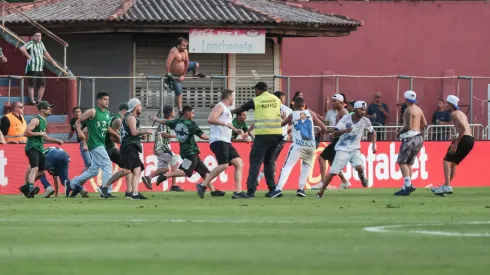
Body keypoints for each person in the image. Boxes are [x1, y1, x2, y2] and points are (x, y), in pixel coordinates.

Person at [151, 106, 225, 198]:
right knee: (186, 172)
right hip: (190, 152)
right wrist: (215, 138)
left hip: (186, 151)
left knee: (205, 172)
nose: (194, 115)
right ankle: (165, 176)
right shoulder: (191, 124)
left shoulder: (176, 122)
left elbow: (165, 121)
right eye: (192, 113)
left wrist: (156, 119)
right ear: (187, 113)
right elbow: (202, 136)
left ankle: (213, 191)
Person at [231, 82, 283, 198]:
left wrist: (229, 112)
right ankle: (273, 189)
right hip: (277, 134)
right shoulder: (276, 99)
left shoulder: (257, 100)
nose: (255, 92)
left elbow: (242, 108)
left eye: (255, 90)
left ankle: (251, 191)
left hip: (263, 135)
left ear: (258, 90)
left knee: (255, 162)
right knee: (269, 161)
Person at [270, 97, 329, 198]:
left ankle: (278, 188)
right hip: (310, 146)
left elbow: (282, 124)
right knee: (306, 166)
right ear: (304, 105)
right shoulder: (311, 113)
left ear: (294, 106)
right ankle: (301, 189)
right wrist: (320, 136)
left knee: (287, 166)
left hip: (298, 145)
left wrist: (284, 118)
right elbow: (323, 128)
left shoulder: (293, 114)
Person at [316, 101, 376, 199]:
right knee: (333, 172)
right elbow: (335, 134)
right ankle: (321, 192)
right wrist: (345, 131)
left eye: (364, 110)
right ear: (355, 109)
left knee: (360, 168)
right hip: (342, 149)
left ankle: (362, 179)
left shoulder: (365, 121)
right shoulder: (345, 119)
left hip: (355, 149)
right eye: (361, 109)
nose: (363, 112)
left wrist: (374, 145)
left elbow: (373, 132)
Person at [65, 92, 120, 198]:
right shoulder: (93, 111)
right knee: (107, 164)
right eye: (104, 99)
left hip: (101, 143)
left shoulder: (107, 113)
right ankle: (105, 190)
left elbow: (106, 127)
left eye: (108, 99)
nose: (107, 101)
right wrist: (80, 132)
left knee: (93, 171)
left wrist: (116, 135)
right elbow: (78, 121)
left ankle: (71, 184)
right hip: (94, 143)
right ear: (98, 100)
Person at [99, 98, 152, 199]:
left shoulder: (131, 118)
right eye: (140, 105)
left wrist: (141, 136)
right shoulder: (131, 118)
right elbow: (134, 133)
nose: (141, 107)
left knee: (137, 170)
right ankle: (104, 187)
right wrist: (146, 131)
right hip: (129, 147)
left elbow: (131, 134)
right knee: (126, 171)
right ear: (136, 106)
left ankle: (135, 193)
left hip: (132, 146)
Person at [199, 89, 247, 199]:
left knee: (239, 163)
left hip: (226, 141)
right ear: (229, 97)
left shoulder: (226, 110)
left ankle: (238, 192)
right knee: (224, 164)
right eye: (233, 97)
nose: (234, 99)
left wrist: (236, 130)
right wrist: (226, 124)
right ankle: (202, 185)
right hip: (218, 140)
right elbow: (211, 119)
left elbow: (227, 124)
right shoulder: (220, 106)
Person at [431, 95, 475, 196]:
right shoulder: (461, 113)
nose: (446, 105)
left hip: (464, 138)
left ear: (450, 104)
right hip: (470, 139)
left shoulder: (454, 113)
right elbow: (467, 129)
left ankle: (446, 185)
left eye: (447, 103)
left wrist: (456, 143)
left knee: (446, 160)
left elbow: (463, 129)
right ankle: (446, 185)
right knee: (453, 163)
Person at [19, 101, 63, 198]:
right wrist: (39, 134)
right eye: (48, 108)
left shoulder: (43, 120)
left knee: (42, 171)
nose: (50, 109)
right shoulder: (36, 120)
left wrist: (56, 140)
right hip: (32, 147)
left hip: (39, 148)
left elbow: (44, 136)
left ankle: (26, 188)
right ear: (42, 109)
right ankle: (30, 187)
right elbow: (26, 133)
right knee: (35, 168)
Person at [312, 94, 352, 190]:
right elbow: (333, 127)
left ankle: (322, 182)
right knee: (331, 161)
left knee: (321, 158)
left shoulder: (344, 113)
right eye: (332, 101)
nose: (332, 103)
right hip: (337, 139)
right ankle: (345, 182)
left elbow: (341, 129)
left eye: (334, 101)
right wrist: (324, 129)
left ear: (341, 102)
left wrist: (326, 130)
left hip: (339, 140)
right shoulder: (339, 112)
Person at [255, 91, 292, 191]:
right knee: (271, 160)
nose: (283, 102)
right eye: (282, 100)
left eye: (284, 100)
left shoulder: (285, 110)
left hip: (279, 138)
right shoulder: (279, 109)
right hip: (276, 137)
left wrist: (289, 131)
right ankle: (267, 182)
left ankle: (263, 180)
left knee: (271, 160)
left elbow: (291, 123)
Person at [142, 105, 184, 191]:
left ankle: (148, 177)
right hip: (162, 147)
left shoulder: (166, 122)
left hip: (159, 148)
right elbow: (162, 134)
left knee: (165, 169)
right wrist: (175, 136)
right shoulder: (164, 122)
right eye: (173, 110)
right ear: (170, 113)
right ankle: (174, 185)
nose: (174, 112)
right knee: (175, 162)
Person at [394, 91, 427, 196]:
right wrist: (416, 127)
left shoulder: (408, 110)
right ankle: (406, 186)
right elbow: (425, 124)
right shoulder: (419, 109)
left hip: (409, 138)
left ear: (405, 99)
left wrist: (399, 133)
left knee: (402, 162)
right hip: (418, 137)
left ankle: (408, 185)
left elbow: (408, 126)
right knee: (409, 163)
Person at [166, 37, 206, 116]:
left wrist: (183, 75)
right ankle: (180, 110)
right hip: (175, 75)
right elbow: (168, 62)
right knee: (179, 92)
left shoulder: (185, 51)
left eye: (186, 46)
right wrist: (168, 73)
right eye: (183, 45)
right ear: (178, 45)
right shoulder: (174, 51)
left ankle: (195, 74)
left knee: (196, 64)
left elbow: (187, 63)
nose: (185, 47)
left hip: (183, 70)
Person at [19, 31, 56, 105]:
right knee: (32, 85)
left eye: (39, 35)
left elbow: (45, 52)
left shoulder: (41, 43)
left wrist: (52, 61)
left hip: (40, 68)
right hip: (32, 68)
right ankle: (32, 101)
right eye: (36, 35)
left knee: (43, 85)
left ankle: (39, 100)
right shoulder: (31, 43)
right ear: (33, 37)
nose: (38, 37)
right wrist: (28, 56)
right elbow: (22, 48)